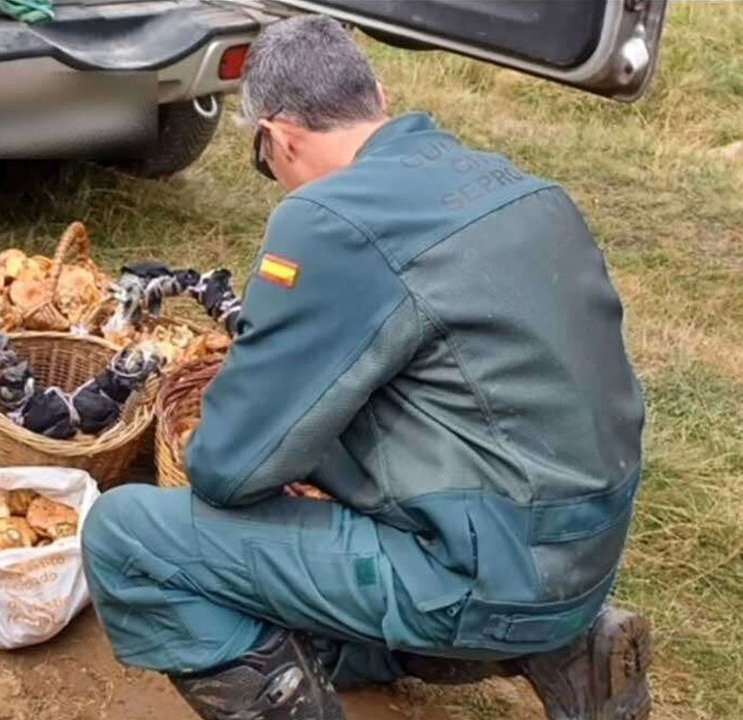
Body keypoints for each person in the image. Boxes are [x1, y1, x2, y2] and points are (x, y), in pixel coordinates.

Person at [81, 14, 651, 720]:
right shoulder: (523, 187)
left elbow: (229, 468)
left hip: (493, 578)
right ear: (376, 95)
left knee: (126, 535)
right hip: (587, 550)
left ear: (278, 136)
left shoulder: (328, 218)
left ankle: (509, 634)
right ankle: (573, 646)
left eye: (267, 162)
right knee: (336, 555)